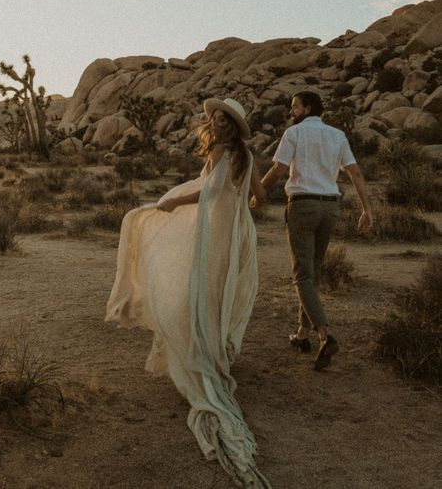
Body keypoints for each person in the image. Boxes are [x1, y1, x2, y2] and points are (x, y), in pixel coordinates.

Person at [105, 98, 271, 488]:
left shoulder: (220, 150)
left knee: (200, 288)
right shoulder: (247, 156)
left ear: (229, 124)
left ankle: (204, 355)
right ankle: (217, 351)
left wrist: (174, 201)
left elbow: (208, 192)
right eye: (213, 117)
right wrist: (242, 201)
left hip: (215, 229)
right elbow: (261, 196)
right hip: (237, 231)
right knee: (219, 292)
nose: (215, 121)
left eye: (220, 118)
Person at [254, 91, 373, 371]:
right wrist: (367, 209)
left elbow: (280, 168)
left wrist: (258, 192)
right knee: (312, 272)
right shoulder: (337, 135)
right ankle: (302, 334)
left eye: (294, 106)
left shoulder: (294, 133)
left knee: (302, 274)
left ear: (307, 108)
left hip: (303, 206)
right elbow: (354, 172)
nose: (291, 110)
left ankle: (325, 334)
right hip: (330, 207)